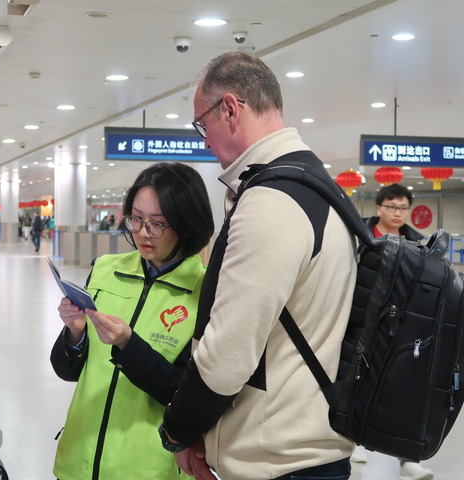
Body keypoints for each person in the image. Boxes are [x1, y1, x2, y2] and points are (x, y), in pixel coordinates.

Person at [159, 51, 357, 480]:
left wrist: (177, 431)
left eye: (202, 125)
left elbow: (227, 355)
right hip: (305, 450)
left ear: (230, 108)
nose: (204, 141)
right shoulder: (318, 187)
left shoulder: (272, 202)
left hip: (281, 463)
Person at [50, 162, 215, 480]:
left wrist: (128, 344)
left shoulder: (207, 293)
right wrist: (75, 334)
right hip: (79, 460)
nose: (141, 232)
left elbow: (184, 394)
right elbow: (67, 371)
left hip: (147, 470)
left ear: (188, 224)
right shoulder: (105, 270)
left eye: (157, 224)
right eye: (136, 219)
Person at [360, 183, 433, 480]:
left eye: (403, 208)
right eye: (391, 207)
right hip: (361, 319)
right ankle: (355, 442)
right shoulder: (361, 235)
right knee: (357, 384)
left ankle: (404, 459)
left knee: (400, 388)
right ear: (379, 208)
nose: (397, 213)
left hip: (400, 323)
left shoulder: (417, 242)